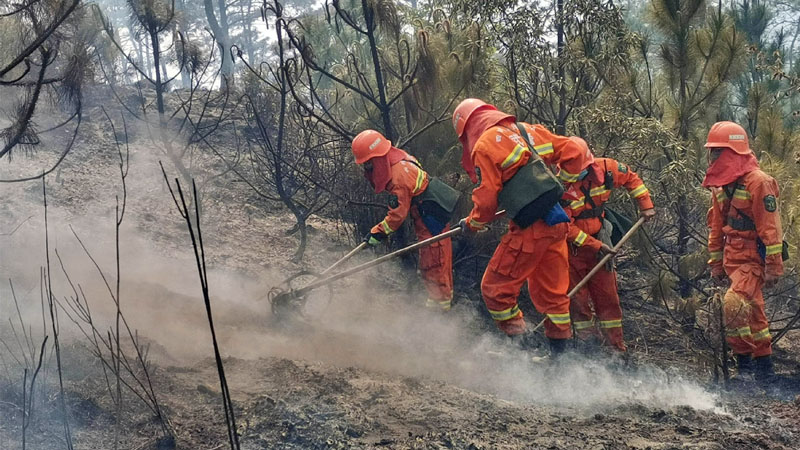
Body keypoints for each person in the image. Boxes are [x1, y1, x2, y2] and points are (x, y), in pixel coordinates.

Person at [452, 98, 590, 354]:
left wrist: (472, 224)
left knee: (495, 290)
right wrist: (560, 186)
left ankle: (521, 352)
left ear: (466, 129)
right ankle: (560, 360)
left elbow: (486, 199)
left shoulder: (484, 145)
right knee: (553, 296)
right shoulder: (526, 131)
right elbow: (575, 150)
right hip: (556, 224)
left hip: (531, 229)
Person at [704, 121, 784, 383]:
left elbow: (770, 229)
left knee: (733, 305)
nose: (713, 157)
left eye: (719, 151)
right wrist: (716, 263)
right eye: (712, 151)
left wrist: (773, 266)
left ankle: (745, 368)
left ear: (734, 152)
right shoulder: (724, 185)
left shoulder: (758, 183)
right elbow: (716, 227)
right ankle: (765, 370)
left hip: (752, 258)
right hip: (732, 259)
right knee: (755, 314)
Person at [561, 137, 655, 352]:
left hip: (600, 242)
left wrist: (646, 205)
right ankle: (588, 345)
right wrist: (595, 246)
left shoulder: (607, 169)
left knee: (608, 298)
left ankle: (615, 348)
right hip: (573, 250)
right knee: (578, 299)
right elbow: (565, 227)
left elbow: (632, 178)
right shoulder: (560, 186)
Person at [352, 129, 456, 310]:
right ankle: (435, 305)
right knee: (430, 262)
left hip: (430, 215)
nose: (367, 169)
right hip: (427, 210)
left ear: (377, 159)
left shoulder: (398, 176)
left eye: (369, 164)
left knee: (435, 263)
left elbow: (397, 216)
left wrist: (377, 233)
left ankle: (440, 312)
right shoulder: (399, 158)